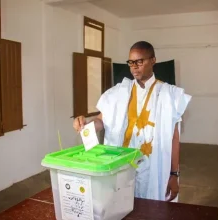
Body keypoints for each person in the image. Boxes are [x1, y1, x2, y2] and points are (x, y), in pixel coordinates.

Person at [73, 41, 191, 202]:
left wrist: (173, 174)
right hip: (123, 165)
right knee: (121, 207)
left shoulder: (169, 95)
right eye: (131, 62)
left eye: (139, 61)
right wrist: (86, 124)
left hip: (153, 168)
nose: (134, 67)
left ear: (153, 60)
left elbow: (174, 138)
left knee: (151, 210)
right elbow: (101, 121)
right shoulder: (118, 92)